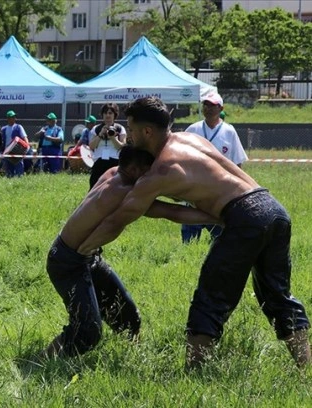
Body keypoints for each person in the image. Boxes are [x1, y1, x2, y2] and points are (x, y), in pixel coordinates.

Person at [77, 96, 310, 369]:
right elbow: (179, 207)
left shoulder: (163, 169)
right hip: (273, 209)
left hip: (245, 215)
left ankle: (194, 372)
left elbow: (119, 219)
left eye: (130, 127)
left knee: (211, 296)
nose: (127, 135)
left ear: (147, 132)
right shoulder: (190, 140)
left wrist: (83, 248)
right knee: (278, 295)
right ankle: (306, 369)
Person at [44, 145, 218, 358]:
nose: (154, 176)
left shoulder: (112, 173)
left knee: (128, 320)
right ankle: (44, 360)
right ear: (136, 169)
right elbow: (171, 211)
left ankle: (133, 358)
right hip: (67, 262)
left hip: (87, 257)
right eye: (150, 170)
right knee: (87, 332)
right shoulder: (123, 191)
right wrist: (218, 218)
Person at [181, 92, 247, 243]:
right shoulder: (193, 129)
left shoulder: (229, 131)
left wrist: (238, 191)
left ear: (221, 108)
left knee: (220, 237)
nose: (208, 108)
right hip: (194, 190)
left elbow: (237, 163)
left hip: (219, 192)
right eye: (206, 105)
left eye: (213, 105)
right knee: (189, 237)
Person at [88, 103, 128, 189]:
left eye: (110, 113)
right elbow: (91, 146)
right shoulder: (96, 128)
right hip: (99, 162)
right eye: (105, 113)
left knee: (113, 188)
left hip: (114, 162)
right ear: (102, 115)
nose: (107, 115)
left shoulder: (120, 128)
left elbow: (122, 147)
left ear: (115, 115)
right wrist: (100, 134)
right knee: (95, 186)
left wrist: (113, 138)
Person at [0, 110, 29, 177]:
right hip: (7, 151)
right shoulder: (3, 128)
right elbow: (1, 141)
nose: (14, 118)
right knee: (9, 167)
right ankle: (10, 178)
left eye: (14, 117)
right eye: (12, 117)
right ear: (8, 118)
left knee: (19, 166)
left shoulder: (18, 127)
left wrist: (27, 146)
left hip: (17, 150)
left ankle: (20, 178)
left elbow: (24, 137)